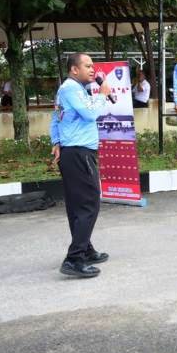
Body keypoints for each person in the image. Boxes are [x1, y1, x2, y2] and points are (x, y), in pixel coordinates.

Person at [50, 53, 111, 278]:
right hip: (79, 153)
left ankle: (84, 249)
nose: (93, 70)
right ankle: (74, 259)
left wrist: (56, 142)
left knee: (78, 206)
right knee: (88, 204)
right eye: (88, 66)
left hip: (73, 152)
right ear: (74, 70)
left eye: (93, 66)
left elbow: (55, 118)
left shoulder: (69, 89)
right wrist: (103, 95)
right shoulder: (71, 89)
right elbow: (90, 113)